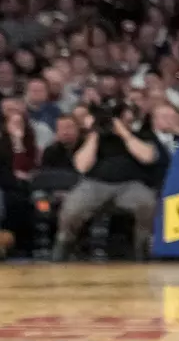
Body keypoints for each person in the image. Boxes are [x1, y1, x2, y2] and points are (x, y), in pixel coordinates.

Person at [51, 101, 159, 261]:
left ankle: (142, 251)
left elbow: (147, 157)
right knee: (72, 208)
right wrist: (95, 134)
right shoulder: (89, 137)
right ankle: (64, 246)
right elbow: (82, 166)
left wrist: (123, 133)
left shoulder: (142, 134)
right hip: (94, 183)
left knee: (147, 203)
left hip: (130, 184)